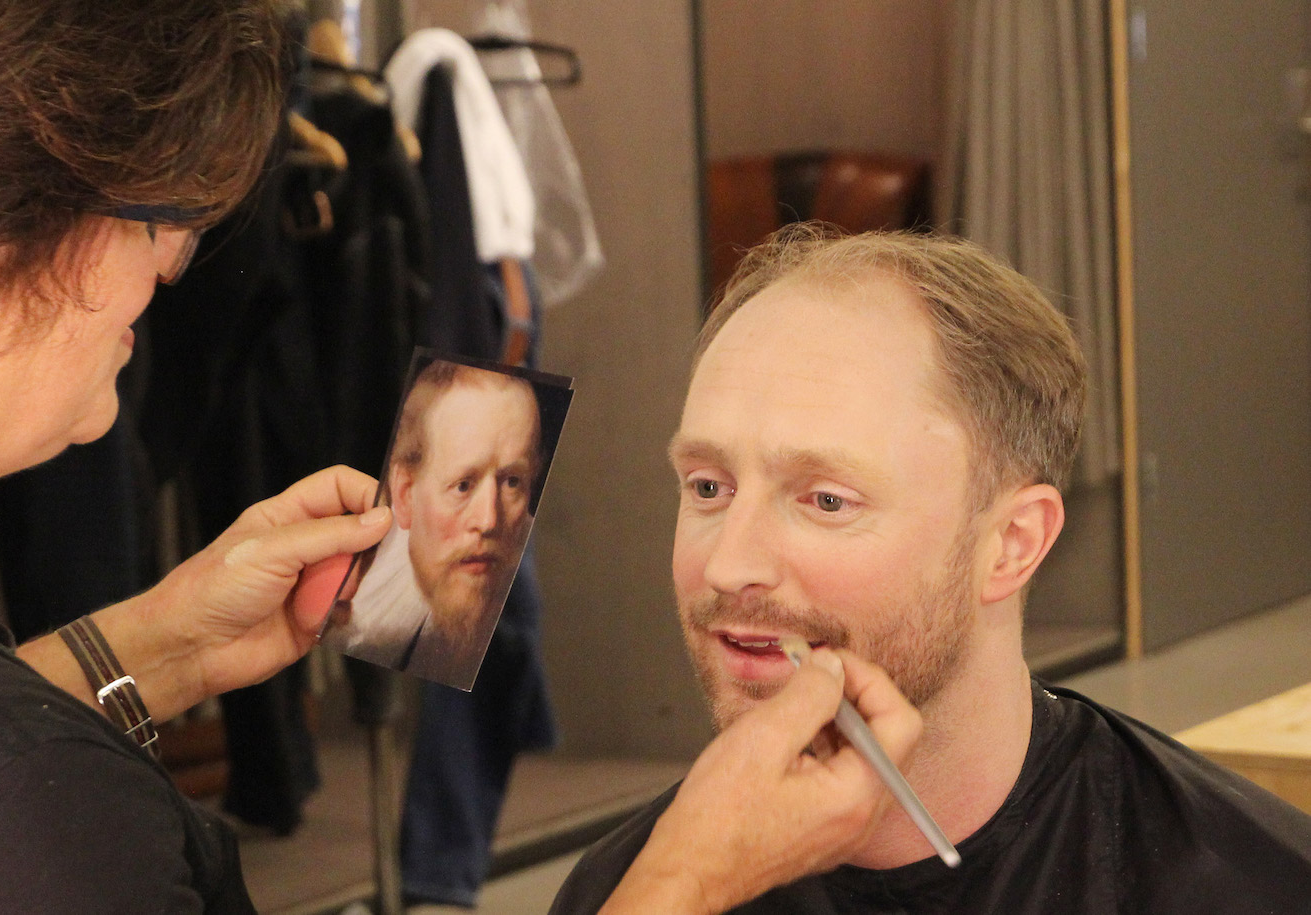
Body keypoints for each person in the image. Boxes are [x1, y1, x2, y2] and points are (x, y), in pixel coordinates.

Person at [0, 4, 920, 913]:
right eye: (150, 219)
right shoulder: (31, 825)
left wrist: (157, 645)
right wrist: (685, 881)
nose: (168, 270)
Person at [550, 223, 1311, 914]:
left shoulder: (1247, 884)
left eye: (826, 499)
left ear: (1011, 543)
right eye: (708, 488)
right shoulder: (626, 888)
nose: (728, 565)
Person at [323, 360, 542, 687]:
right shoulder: (360, 622)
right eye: (463, 486)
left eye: (512, 482)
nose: (488, 520)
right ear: (405, 493)